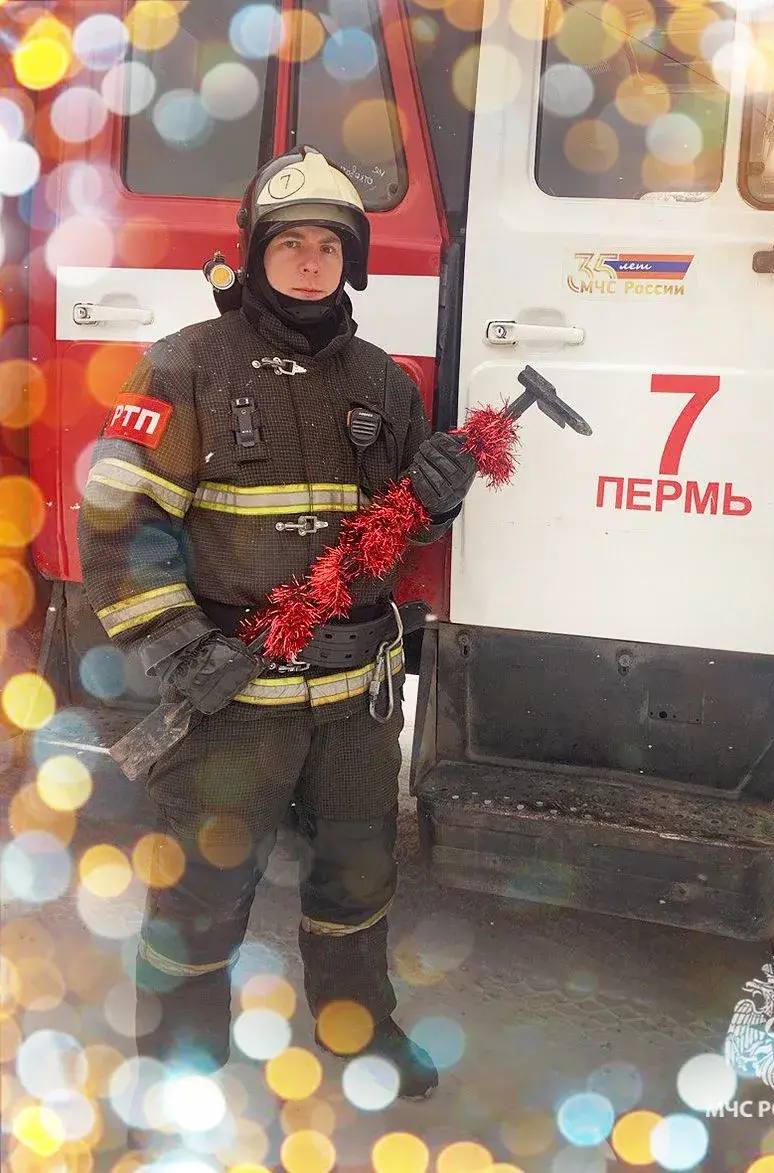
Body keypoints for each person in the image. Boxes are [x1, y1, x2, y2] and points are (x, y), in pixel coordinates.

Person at [77, 146, 476, 1102]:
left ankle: (357, 1026)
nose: (309, 261)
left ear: (351, 261)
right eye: (289, 243)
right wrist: (179, 647)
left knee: (358, 878)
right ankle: (177, 1050)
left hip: (355, 700)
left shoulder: (385, 383)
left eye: (328, 246)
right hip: (236, 694)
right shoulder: (186, 366)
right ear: (255, 254)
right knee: (204, 885)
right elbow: (120, 521)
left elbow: (390, 533)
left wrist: (436, 501)